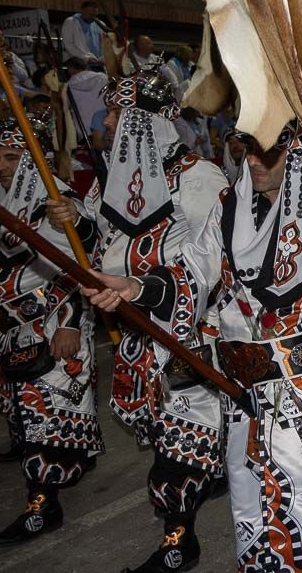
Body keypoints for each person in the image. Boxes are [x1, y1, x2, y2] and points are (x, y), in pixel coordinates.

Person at [84, 123, 302, 572]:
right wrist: (136, 288)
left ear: (296, 154)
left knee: (299, 505)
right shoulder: (228, 211)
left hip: (294, 388)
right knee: (250, 505)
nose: (253, 161)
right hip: (237, 393)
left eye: (266, 152)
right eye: (248, 150)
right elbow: (191, 273)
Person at [70, 68, 230, 573]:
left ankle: (178, 543)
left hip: (191, 335)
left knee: (177, 455)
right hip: (141, 335)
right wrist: (74, 225)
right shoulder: (110, 187)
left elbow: (215, 267)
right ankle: (215, 468)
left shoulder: (200, 179)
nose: (109, 121)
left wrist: (153, 289)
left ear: (148, 121)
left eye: (119, 112)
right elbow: (97, 248)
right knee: (165, 434)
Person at [0, 115, 103, 545]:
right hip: (13, 333)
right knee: (31, 424)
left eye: (13, 156)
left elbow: (85, 263)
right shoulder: (1, 202)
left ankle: (41, 508)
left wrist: (71, 322)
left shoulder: (55, 200)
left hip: (50, 329)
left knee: (47, 429)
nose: (3, 166)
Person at [60, 0, 104, 65]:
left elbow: (104, 45)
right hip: (77, 63)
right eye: (89, 14)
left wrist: (102, 58)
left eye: (94, 15)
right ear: (82, 10)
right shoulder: (71, 22)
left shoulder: (100, 24)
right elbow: (68, 45)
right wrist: (86, 58)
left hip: (98, 63)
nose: (92, 17)